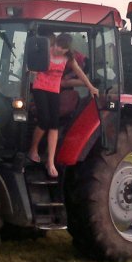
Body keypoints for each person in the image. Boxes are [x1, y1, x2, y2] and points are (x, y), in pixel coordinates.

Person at [28, 32, 98, 177]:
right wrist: (32, 71)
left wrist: (91, 87)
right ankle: (33, 149)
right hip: (40, 87)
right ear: (55, 43)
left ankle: (51, 161)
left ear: (67, 50)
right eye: (57, 46)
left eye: (62, 48)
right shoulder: (47, 52)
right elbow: (33, 65)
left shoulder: (68, 58)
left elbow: (79, 73)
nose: (58, 49)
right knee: (44, 120)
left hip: (54, 90)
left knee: (54, 124)